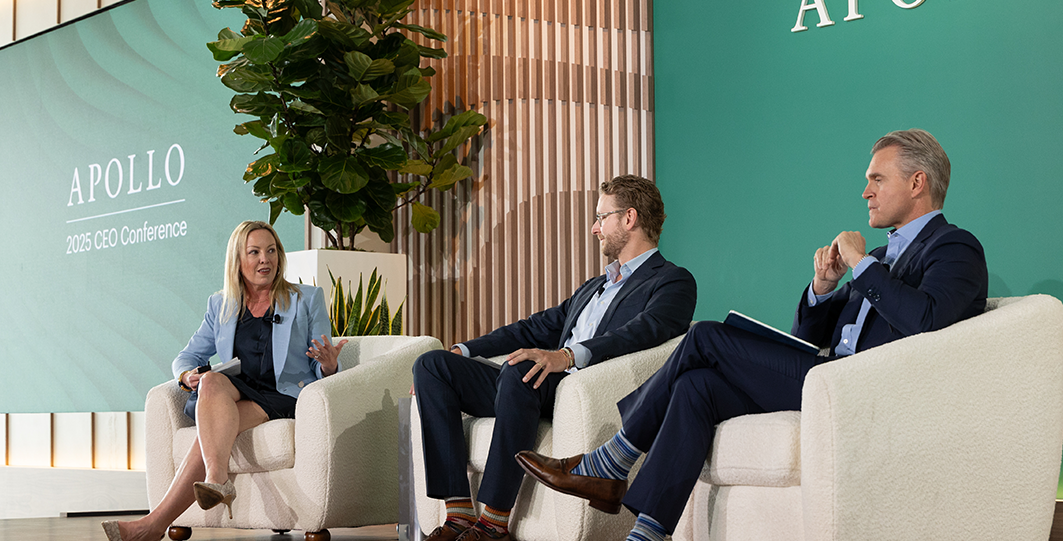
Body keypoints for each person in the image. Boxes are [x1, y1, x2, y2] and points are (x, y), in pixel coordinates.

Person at [516, 129, 988, 541]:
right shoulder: (883, 256)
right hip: (829, 377)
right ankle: (647, 533)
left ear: (917, 182)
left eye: (876, 179)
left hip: (864, 389)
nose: (865, 191)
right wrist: (823, 290)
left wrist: (861, 266)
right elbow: (807, 337)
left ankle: (614, 460)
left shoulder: (955, 247)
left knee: (704, 337)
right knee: (696, 386)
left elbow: (927, 321)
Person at [412, 175, 698, 541]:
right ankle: (459, 513)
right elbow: (533, 328)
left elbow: (646, 331)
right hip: (541, 382)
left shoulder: (672, 281)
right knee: (433, 366)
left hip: (585, 388)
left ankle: (494, 522)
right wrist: (464, 349)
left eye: (601, 217)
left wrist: (567, 355)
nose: (595, 228)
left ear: (629, 218)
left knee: (522, 370)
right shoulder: (594, 287)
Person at [102, 221, 347, 541]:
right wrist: (186, 376)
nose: (265, 259)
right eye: (255, 252)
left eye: (271, 251)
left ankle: (154, 524)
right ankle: (213, 481)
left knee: (208, 435)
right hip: (236, 390)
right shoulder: (221, 305)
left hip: (281, 393)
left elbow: (322, 363)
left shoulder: (306, 299)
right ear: (238, 260)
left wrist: (329, 366)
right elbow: (187, 356)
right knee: (211, 381)